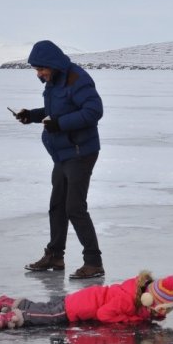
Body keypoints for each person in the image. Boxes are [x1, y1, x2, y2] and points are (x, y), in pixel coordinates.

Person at [14, 40, 105, 279]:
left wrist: (60, 124)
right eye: (36, 69)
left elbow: (94, 111)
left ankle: (94, 262)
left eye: (41, 68)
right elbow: (55, 111)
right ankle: (55, 255)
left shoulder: (78, 79)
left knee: (75, 207)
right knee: (57, 206)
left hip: (80, 152)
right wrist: (31, 116)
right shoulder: (53, 82)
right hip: (62, 153)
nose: (39, 73)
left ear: (53, 64)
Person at [0, 272, 173, 331]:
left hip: (81, 298)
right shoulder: (128, 301)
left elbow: (139, 310)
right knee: (46, 316)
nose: (160, 314)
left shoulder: (133, 290)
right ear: (148, 299)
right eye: (159, 309)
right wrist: (131, 320)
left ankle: (7, 301)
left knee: (44, 308)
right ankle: (10, 317)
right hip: (79, 307)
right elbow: (104, 314)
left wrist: (147, 315)